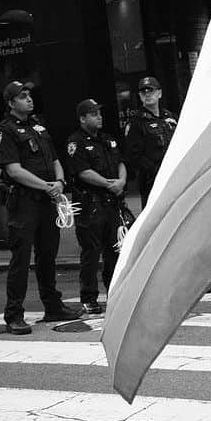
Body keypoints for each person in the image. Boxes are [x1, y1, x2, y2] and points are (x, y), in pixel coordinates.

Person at [0, 81, 83, 334]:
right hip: (23, 202)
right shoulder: (5, 132)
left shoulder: (39, 126)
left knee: (48, 254)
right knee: (21, 259)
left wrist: (60, 182)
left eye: (29, 95)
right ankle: (14, 314)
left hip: (46, 200)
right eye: (22, 97)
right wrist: (47, 186)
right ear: (11, 103)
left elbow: (54, 159)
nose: (29, 100)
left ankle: (52, 305)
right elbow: (13, 170)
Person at [66, 99, 127, 314]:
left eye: (99, 113)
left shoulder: (107, 139)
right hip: (89, 204)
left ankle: (114, 293)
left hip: (111, 203)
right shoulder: (76, 142)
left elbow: (120, 161)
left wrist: (120, 181)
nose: (99, 117)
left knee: (114, 250)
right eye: (93, 114)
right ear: (82, 118)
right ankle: (89, 298)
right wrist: (109, 184)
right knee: (91, 252)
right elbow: (83, 172)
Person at [123, 76, 177, 209]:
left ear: (160, 93)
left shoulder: (169, 117)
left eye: (151, 91)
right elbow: (133, 155)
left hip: (175, 177)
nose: (147, 94)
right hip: (152, 181)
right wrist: (157, 170)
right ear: (140, 97)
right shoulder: (137, 122)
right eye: (143, 92)